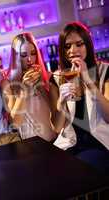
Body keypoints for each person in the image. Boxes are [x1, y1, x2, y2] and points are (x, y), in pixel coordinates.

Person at [51, 22, 109, 173]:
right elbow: (57, 128)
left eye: (79, 44)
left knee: (82, 167)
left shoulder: (104, 70)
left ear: (88, 45)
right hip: (70, 144)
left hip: (100, 142)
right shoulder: (57, 78)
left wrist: (88, 81)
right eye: (67, 46)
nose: (73, 50)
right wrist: (61, 102)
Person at [1, 32, 58, 142]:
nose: (30, 59)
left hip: (56, 142)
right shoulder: (7, 83)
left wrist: (41, 83)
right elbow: (14, 124)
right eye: (24, 55)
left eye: (33, 53)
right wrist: (24, 89)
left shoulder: (46, 77)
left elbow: (54, 114)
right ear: (15, 57)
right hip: (32, 148)